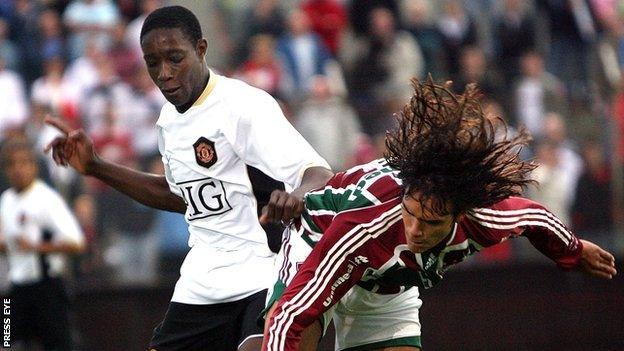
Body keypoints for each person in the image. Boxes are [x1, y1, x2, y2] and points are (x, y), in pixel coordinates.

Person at [45, 5, 332, 351]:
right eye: (153, 63)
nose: (164, 73)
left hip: (264, 270)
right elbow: (177, 195)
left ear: (201, 49)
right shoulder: (169, 121)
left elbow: (318, 173)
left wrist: (297, 194)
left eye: (175, 58)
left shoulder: (244, 106)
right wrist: (96, 167)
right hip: (202, 279)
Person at [262, 79, 617, 351]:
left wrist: (574, 251)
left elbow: (537, 219)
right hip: (320, 240)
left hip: (388, 284)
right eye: (411, 213)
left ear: (460, 215)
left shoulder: (485, 217)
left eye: (431, 222)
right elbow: (291, 316)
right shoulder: (364, 226)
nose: (415, 230)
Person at [0, 137, 86, 350]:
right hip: (14, 289)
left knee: (57, 344)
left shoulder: (46, 200)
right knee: (7, 341)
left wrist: (36, 247)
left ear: (33, 166)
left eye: (23, 162)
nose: (17, 169)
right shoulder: (7, 200)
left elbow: (76, 243)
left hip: (46, 287)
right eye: (11, 164)